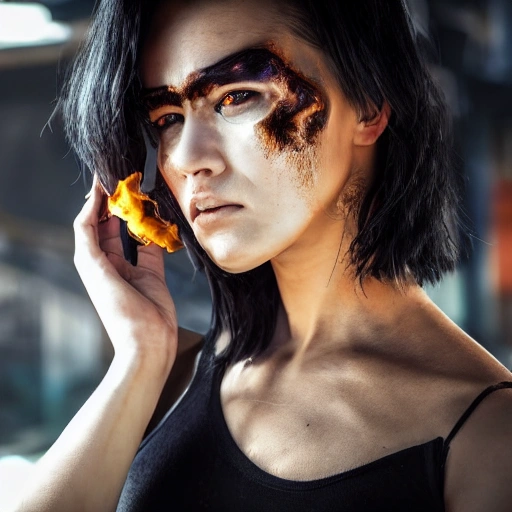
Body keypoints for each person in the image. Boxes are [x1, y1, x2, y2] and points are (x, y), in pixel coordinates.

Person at [14, 0, 512, 510]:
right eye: (166, 117)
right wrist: (139, 358)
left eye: (238, 96)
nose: (186, 159)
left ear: (368, 102)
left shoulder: (487, 437)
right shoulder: (166, 376)